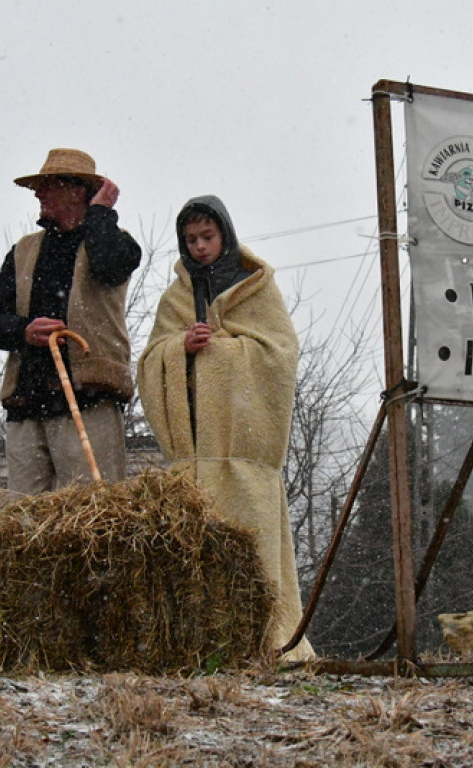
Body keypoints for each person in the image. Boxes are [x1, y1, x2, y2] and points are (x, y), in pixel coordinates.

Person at [137, 195, 314, 661]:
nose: (199, 247)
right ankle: (200, 645)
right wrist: (180, 347)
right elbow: (153, 358)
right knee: (195, 557)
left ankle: (264, 639)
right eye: (191, 239)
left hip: (245, 456)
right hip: (194, 455)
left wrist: (219, 351)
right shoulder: (178, 296)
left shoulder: (256, 287)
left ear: (226, 235)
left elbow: (278, 354)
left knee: (250, 550)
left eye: (207, 237)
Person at [0, 148, 142, 494]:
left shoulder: (116, 243)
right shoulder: (23, 250)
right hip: (27, 402)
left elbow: (108, 265)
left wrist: (99, 213)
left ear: (78, 191)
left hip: (90, 399)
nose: (38, 194)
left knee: (93, 513)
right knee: (23, 520)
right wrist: (24, 331)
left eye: (49, 185)